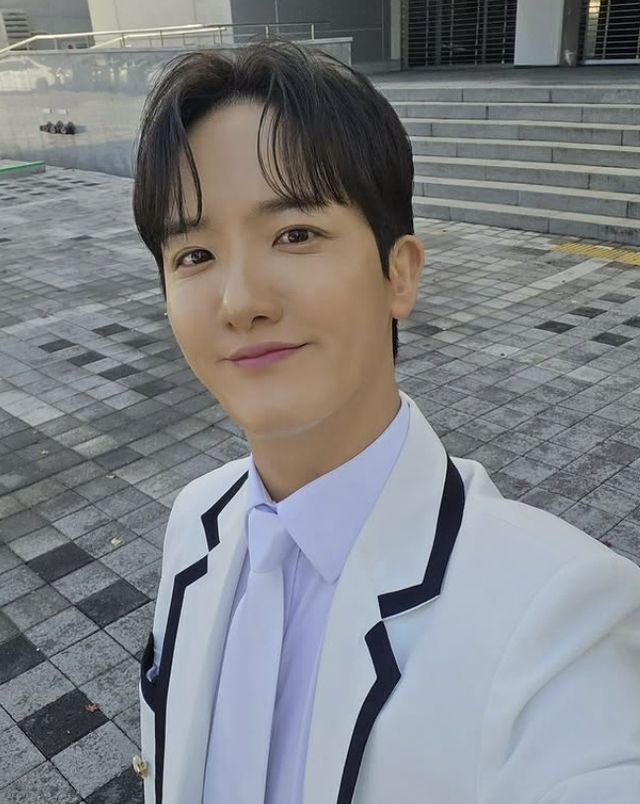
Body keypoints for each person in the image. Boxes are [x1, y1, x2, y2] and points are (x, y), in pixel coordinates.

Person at [130, 39, 640, 804]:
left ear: (399, 273)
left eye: (295, 234)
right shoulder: (195, 520)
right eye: (195, 255)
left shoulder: (557, 619)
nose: (240, 302)